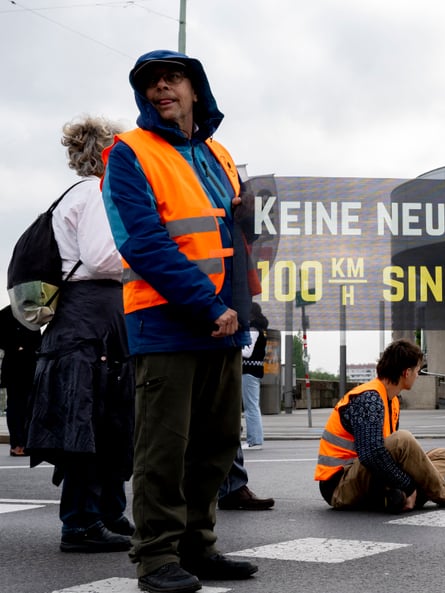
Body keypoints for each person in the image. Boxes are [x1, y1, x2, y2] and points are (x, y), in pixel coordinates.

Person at [101, 50, 260, 592]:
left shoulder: (219, 154)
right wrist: (208, 303)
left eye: (173, 79)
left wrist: (244, 306)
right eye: (150, 83)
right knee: (163, 448)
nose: (161, 89)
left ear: (196, 89)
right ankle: (155, 557)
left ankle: (198, 545)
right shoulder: (128, 153)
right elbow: (142, 243)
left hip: (224, 322)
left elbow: (236, 239)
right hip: (168, 320)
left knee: (215, 445)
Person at [22, 116, 135, 554]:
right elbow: (102, 257)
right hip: (90, 317)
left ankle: (106, 511)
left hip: (87, 319)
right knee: (89, 420)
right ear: (108, 153)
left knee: (104, 420)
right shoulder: (93, 193)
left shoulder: (83, 193)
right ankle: (82, 523)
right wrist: (147, 256)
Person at [316, 339, 445, 512]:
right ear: (406, 373)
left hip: (369, 478)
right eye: (417, 370)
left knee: (444, 456)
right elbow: (370, 454)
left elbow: (385, 456)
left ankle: (396, 498)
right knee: (403, 439)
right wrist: (408, 485)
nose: (418, 375)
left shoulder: (392, 400)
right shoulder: (369, 398)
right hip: (340, 486)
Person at [0, 305, 42, 457]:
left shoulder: (32, 312)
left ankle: (25, 442)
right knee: (16, 406)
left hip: (30, 365)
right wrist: (16, 347)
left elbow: (38, 338)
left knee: (28, 406)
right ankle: (17, 443)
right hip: (14, 365)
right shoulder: (6, 314)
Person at [242, 302, 268, 450]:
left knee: (250, 407)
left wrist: (233, 345)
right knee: (253, 405)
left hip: (248, 370)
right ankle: (256, 439)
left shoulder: (253, 329)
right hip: (256, 369)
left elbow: (247, 352)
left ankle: (254, 441)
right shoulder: (262, 329)